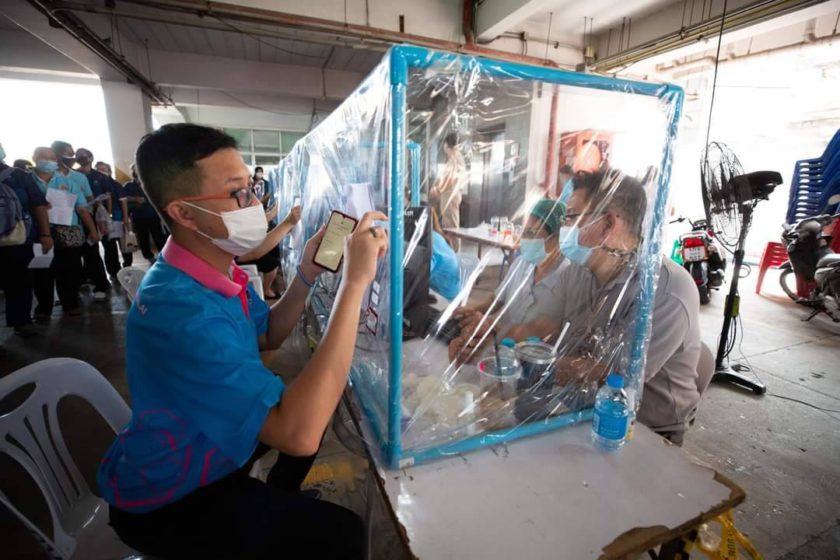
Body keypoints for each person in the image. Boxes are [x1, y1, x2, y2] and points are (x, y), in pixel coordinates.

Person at [97, 124, 388, 558]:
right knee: (341, 534)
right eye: (237, 193)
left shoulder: (215, 268)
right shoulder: (182, 311)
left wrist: (308, 273)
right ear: (185, 213)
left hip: (212, 443)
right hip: (171, 496)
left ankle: (279, 495)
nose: (254, 203)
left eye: (251, 188)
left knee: (313, 400)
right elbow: (298, 434)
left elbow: (267, 334)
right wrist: (355, 283)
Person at [452, 169, 702, 444]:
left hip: (643, 429)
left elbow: (612, 376)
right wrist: (489, 335)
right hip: (578, 406)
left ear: (607, 225)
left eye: (570, 217)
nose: (564, 228)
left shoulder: (664, 292)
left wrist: (515, 358)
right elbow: (545, 328)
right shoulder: (579, 272)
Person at [449, 197, 565, 349]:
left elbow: (544, 330)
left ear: (556, 239)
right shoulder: (521, 264)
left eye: (531, 233)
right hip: (502, 346)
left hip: (534, 355)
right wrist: (473, 310)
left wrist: (491, 325)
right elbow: (496, 299)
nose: (523, 239)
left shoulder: (567, 279)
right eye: (524, 231)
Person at [35, 144, 100, 316]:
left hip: (68, 231)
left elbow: (82, 208)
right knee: (42, 270)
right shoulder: (28, 181)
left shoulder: (66, 182)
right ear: (35, 159)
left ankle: (70, 303)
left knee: (69, 270)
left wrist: (92, 230)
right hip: (38, 233)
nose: (49, 161)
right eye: (44, 157)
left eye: (52, 158)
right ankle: (44, 308)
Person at [0, 142, 52, 337]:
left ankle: (21, 320)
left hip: (19, 239)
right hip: (17, 240)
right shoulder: (19, 176)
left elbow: (39, 206)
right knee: (18, 281)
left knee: (20, 281)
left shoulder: (19, 175)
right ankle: (21, 322)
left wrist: (45, 234)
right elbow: (39, 205)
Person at [237, 204, 301, 299]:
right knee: (272, 264)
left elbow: (250, 224)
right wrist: (287, 224)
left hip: (246, 247)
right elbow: (253, 253)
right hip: (244, 253)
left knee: (275, 251)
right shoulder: (225, 245)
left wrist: (275, 215)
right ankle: (266, 290)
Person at [74, 147, 112, 300]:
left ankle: (101, 283)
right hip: (77, 218)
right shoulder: (73, 175)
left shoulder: (99, 177)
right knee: (80, 252)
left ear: (91, 157)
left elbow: (108, 196)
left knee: (92, 250)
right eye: (78, 155)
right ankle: (84, 278)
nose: (81, 158)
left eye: (84, 155)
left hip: (96, 217)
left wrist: (107, 214)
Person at [123, 163, 168, 262]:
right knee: (143, 238)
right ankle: (149, 257)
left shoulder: (151, 183)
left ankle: (164, 256)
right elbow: (123, 198)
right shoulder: (128, 185)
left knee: (159, 237)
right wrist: (135, 199)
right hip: (138, 217)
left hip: (154, 215)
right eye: (135, 169)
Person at [430, 132, 467, 251]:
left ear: (447, 145)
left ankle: (454, 253)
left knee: (451, 227)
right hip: (451, 195)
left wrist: (438, 189)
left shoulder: (454, 158)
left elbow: (450, 179)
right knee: (449, 225)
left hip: (450, 196)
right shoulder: (457, 157)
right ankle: (453, 251)